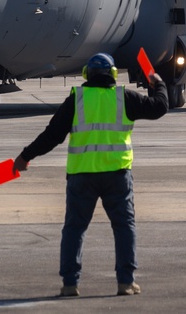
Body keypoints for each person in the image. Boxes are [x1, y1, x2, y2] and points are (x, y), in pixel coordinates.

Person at [13, 52, 168, 297]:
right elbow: (160, 107)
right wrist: (157, 83)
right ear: (114, 74)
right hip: (117, 175)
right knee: (124, 227)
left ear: (87, 74)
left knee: (74, 229)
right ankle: (126, 282)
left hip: (81, 177)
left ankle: (70, 284)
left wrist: (25, 157)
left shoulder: (77, 100)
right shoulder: (123, 97)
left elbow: (51, 136)